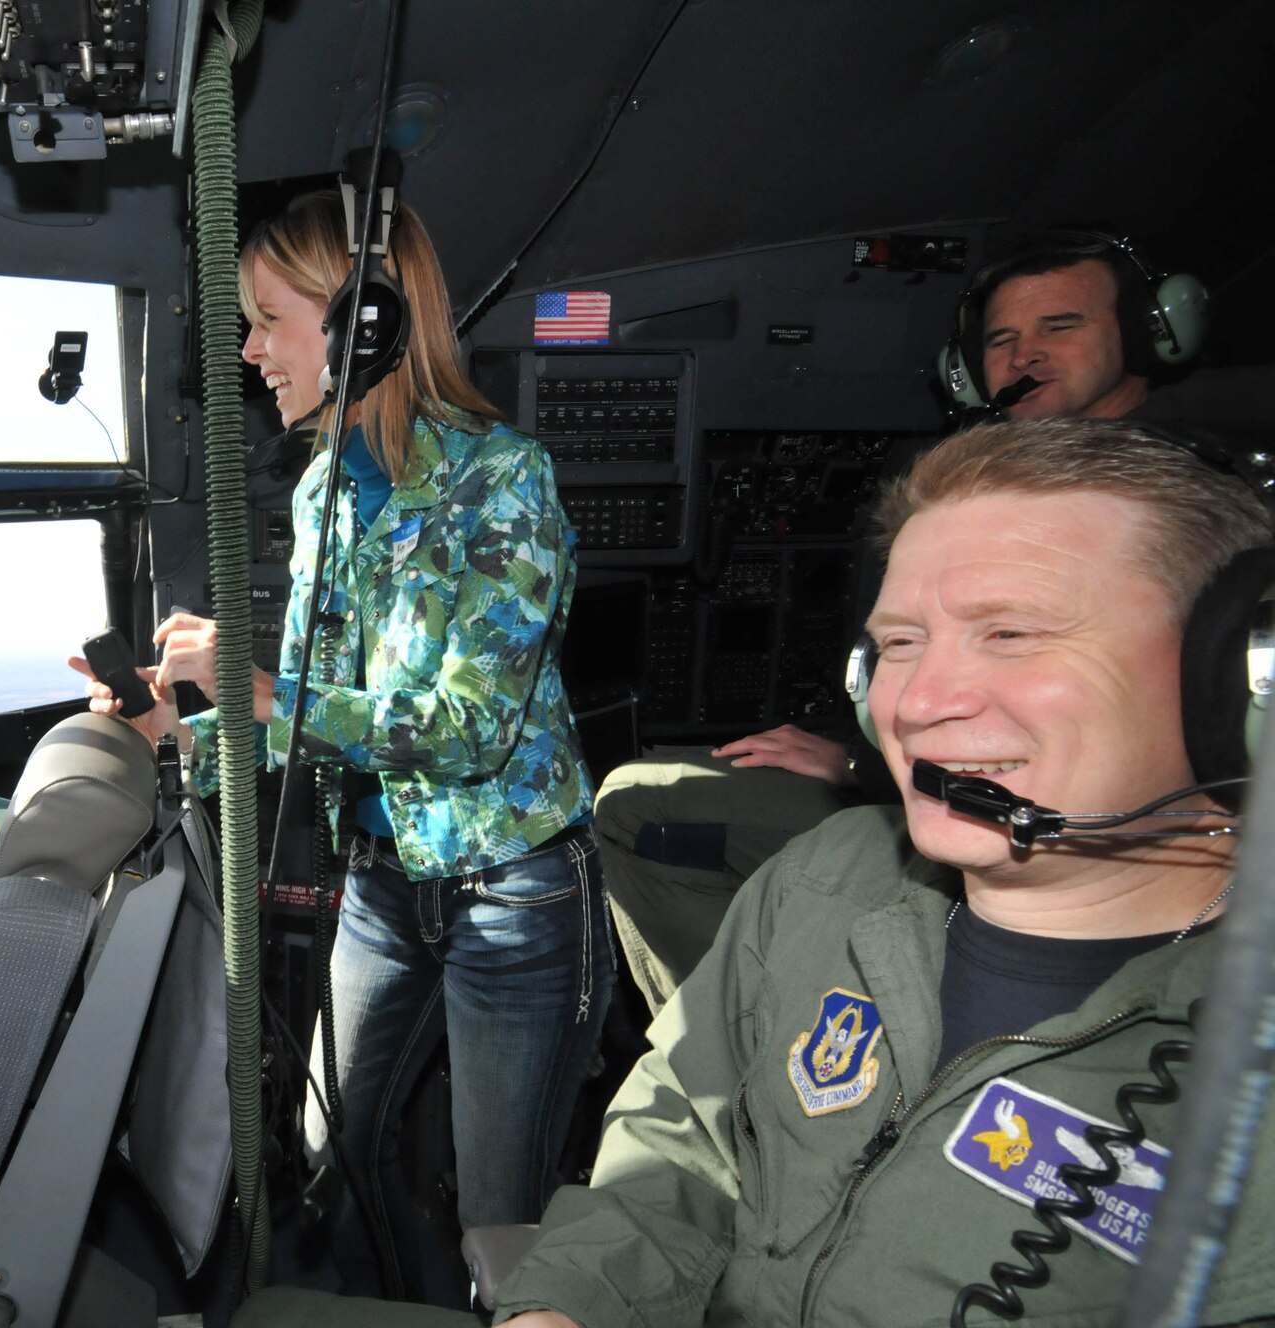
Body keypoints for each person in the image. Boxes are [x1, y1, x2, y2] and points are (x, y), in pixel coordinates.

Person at [239, 416, 1275, 1328]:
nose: (917, 703)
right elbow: (684, 1146)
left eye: (1009, 633)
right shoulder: (827, 879)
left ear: (1235, 679)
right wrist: (566, 1299)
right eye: (897, 644)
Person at [73, 190, 611, 1305]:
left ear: (364, 320)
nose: (250, 351)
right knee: (334, 1147)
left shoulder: (499, 479)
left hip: (511, 892)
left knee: (497, 1208)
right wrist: (187, 728)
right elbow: (319, 717)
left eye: (267, 319)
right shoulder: (324, 489)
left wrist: (267, 688)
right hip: (378, 882)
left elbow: (464, 731)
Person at [596, 228, 1193, 1013]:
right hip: (921, 782)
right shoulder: (981, 485)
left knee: (644, 805)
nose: (1025, 356)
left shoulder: (1190, 498)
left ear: (1150, 332)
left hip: (1084, 824)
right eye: (1003, 339)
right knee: (646, 796)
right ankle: (755, 1040)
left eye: (1062, 326)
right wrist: (857, 755)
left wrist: (861, 768)